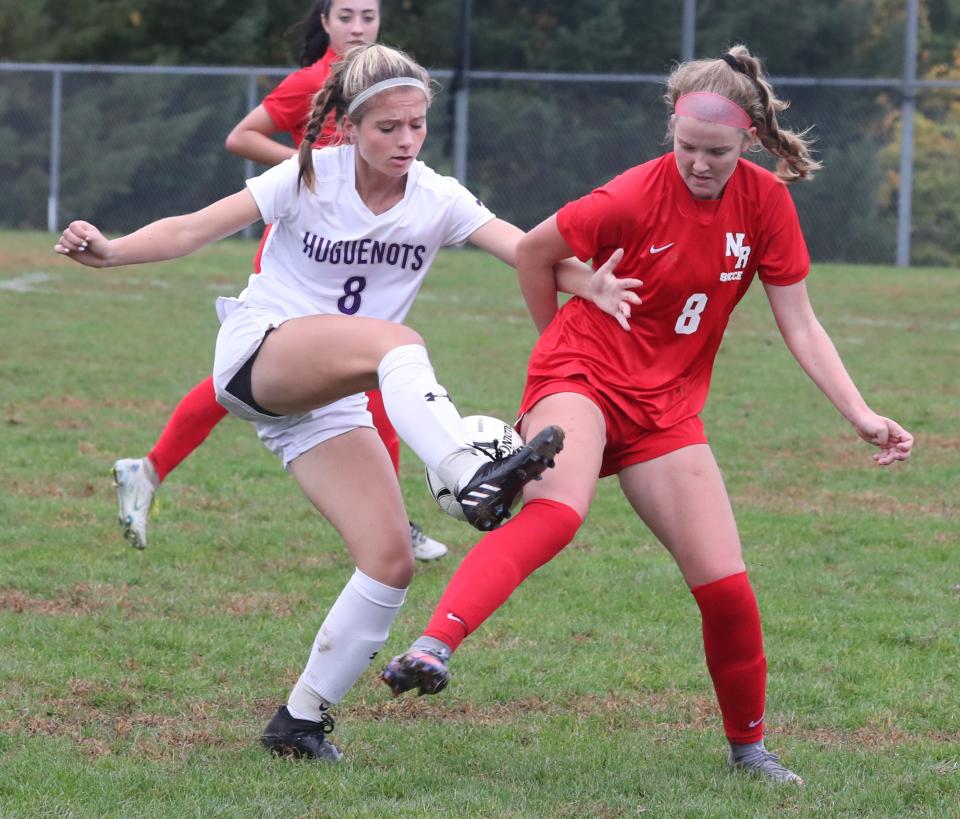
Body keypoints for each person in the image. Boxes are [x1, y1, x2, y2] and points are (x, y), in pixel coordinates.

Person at [56, 44, 635, 761]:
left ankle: (298, 722)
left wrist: (591, 283)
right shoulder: (308, 177)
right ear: (349, 126)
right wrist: (108, 251)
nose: (406, 141)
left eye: (417, 125)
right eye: (388, 127)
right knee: (394, 341)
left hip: (328, 401)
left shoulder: (437, 196)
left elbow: (526, 248)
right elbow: (192, 227)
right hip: (260, 353)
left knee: (389, 558)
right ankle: (465, 472)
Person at [380, 44, 915, 784]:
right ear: (671, 128)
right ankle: (434, 646)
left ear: (750, 142)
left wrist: (858, 412)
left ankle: (750, 750)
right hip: (584, 376)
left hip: (667, 409)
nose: (699, 163)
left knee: (726, 585)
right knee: (560, 512)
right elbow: (535, 253)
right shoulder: (632, 194)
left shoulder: (765, 204)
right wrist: (556, 355)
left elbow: (800, 322)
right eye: (688, 147)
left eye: (717, 152)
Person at [112, 0, 448, 562]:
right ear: (325, 23)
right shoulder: (312, 84)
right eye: (346, 16)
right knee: (271, 378)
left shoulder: (393, 85)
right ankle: (150, 468)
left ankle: (149, 469)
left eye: (369, 16)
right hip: (304, 260)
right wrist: (309, 168)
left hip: (357, 266)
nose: (359, 27)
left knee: (370, 377)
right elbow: (241, 137)